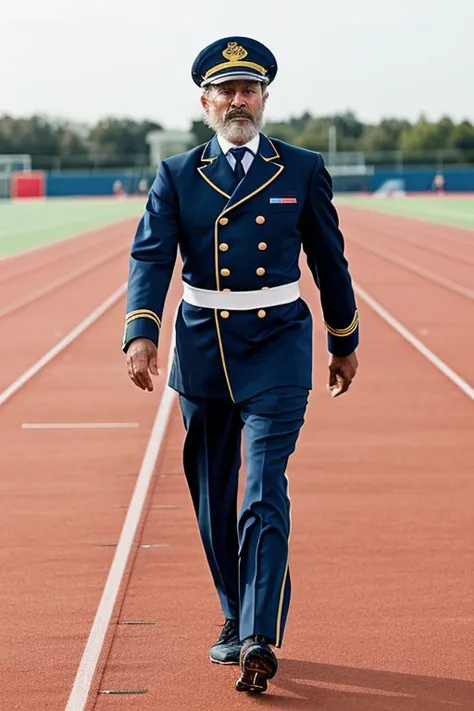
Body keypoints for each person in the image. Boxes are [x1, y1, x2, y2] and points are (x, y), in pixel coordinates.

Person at [123, 36, 359, 694]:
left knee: (263, 485)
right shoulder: (176, 174)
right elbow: (151, 258)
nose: (237, 100)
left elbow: (328, 259)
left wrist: (344, 336)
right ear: (205, 103)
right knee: (211, 494)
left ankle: (256, 634)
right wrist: (140, 330)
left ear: (263, 98)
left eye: (248, 89)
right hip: (203, 349)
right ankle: (234, 608)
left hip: (278, 344)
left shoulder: (301, 168)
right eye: (225, 90)